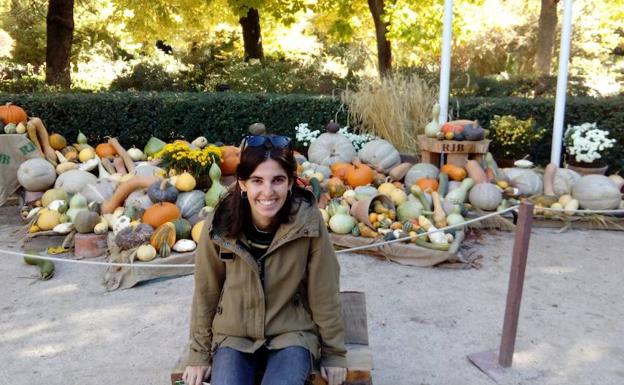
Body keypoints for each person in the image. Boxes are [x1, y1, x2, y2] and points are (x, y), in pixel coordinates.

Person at [183, 134, 347, 385]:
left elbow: (324, 290)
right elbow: (206, 291)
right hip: (233, 335)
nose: (268, 192)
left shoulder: (308, 222)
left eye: (278, 180)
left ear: (291, 183)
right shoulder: (218, 225)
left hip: (291, 333)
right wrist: (199, 355)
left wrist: (334, 354)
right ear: (242, 183)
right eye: (257, 180)